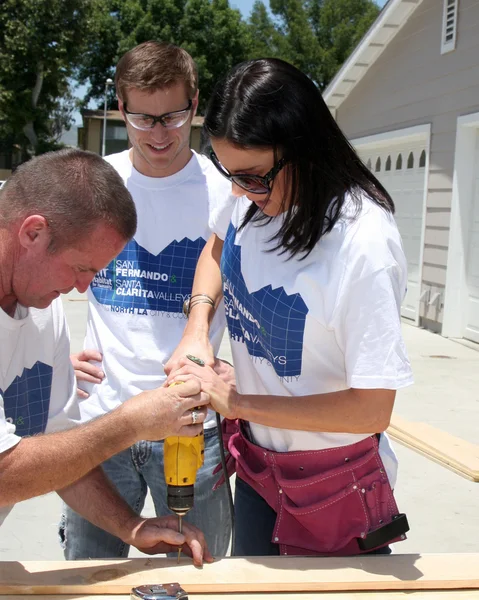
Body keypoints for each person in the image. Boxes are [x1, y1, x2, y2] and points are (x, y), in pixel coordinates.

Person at [167, 58, 414, 557]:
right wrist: (197, 327)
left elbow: (373, 408)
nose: (239, 192)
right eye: (228, 174)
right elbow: (218, 245)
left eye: (253, 177)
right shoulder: (251, 195)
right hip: (261, 467)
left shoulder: (361, 244)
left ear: (303, 149)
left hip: (336, 485)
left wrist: (236, 403)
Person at [62, 41, 233, 560]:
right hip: (102, 423)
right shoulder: (92, 183)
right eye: (143, 119)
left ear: (196, 104)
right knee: (87, 578)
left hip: (189, 429)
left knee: (200, 578)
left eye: (173, 116)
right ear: (120, 108)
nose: (160, 134)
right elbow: (43, 268)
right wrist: (49, 358)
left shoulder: (225, 189)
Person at [0, 148, 212, 566]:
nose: (83, 288)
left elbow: (59, 451)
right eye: (80, 268)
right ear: (33, 232)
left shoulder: (43, 306)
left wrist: (130, 527)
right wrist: (131, 423)